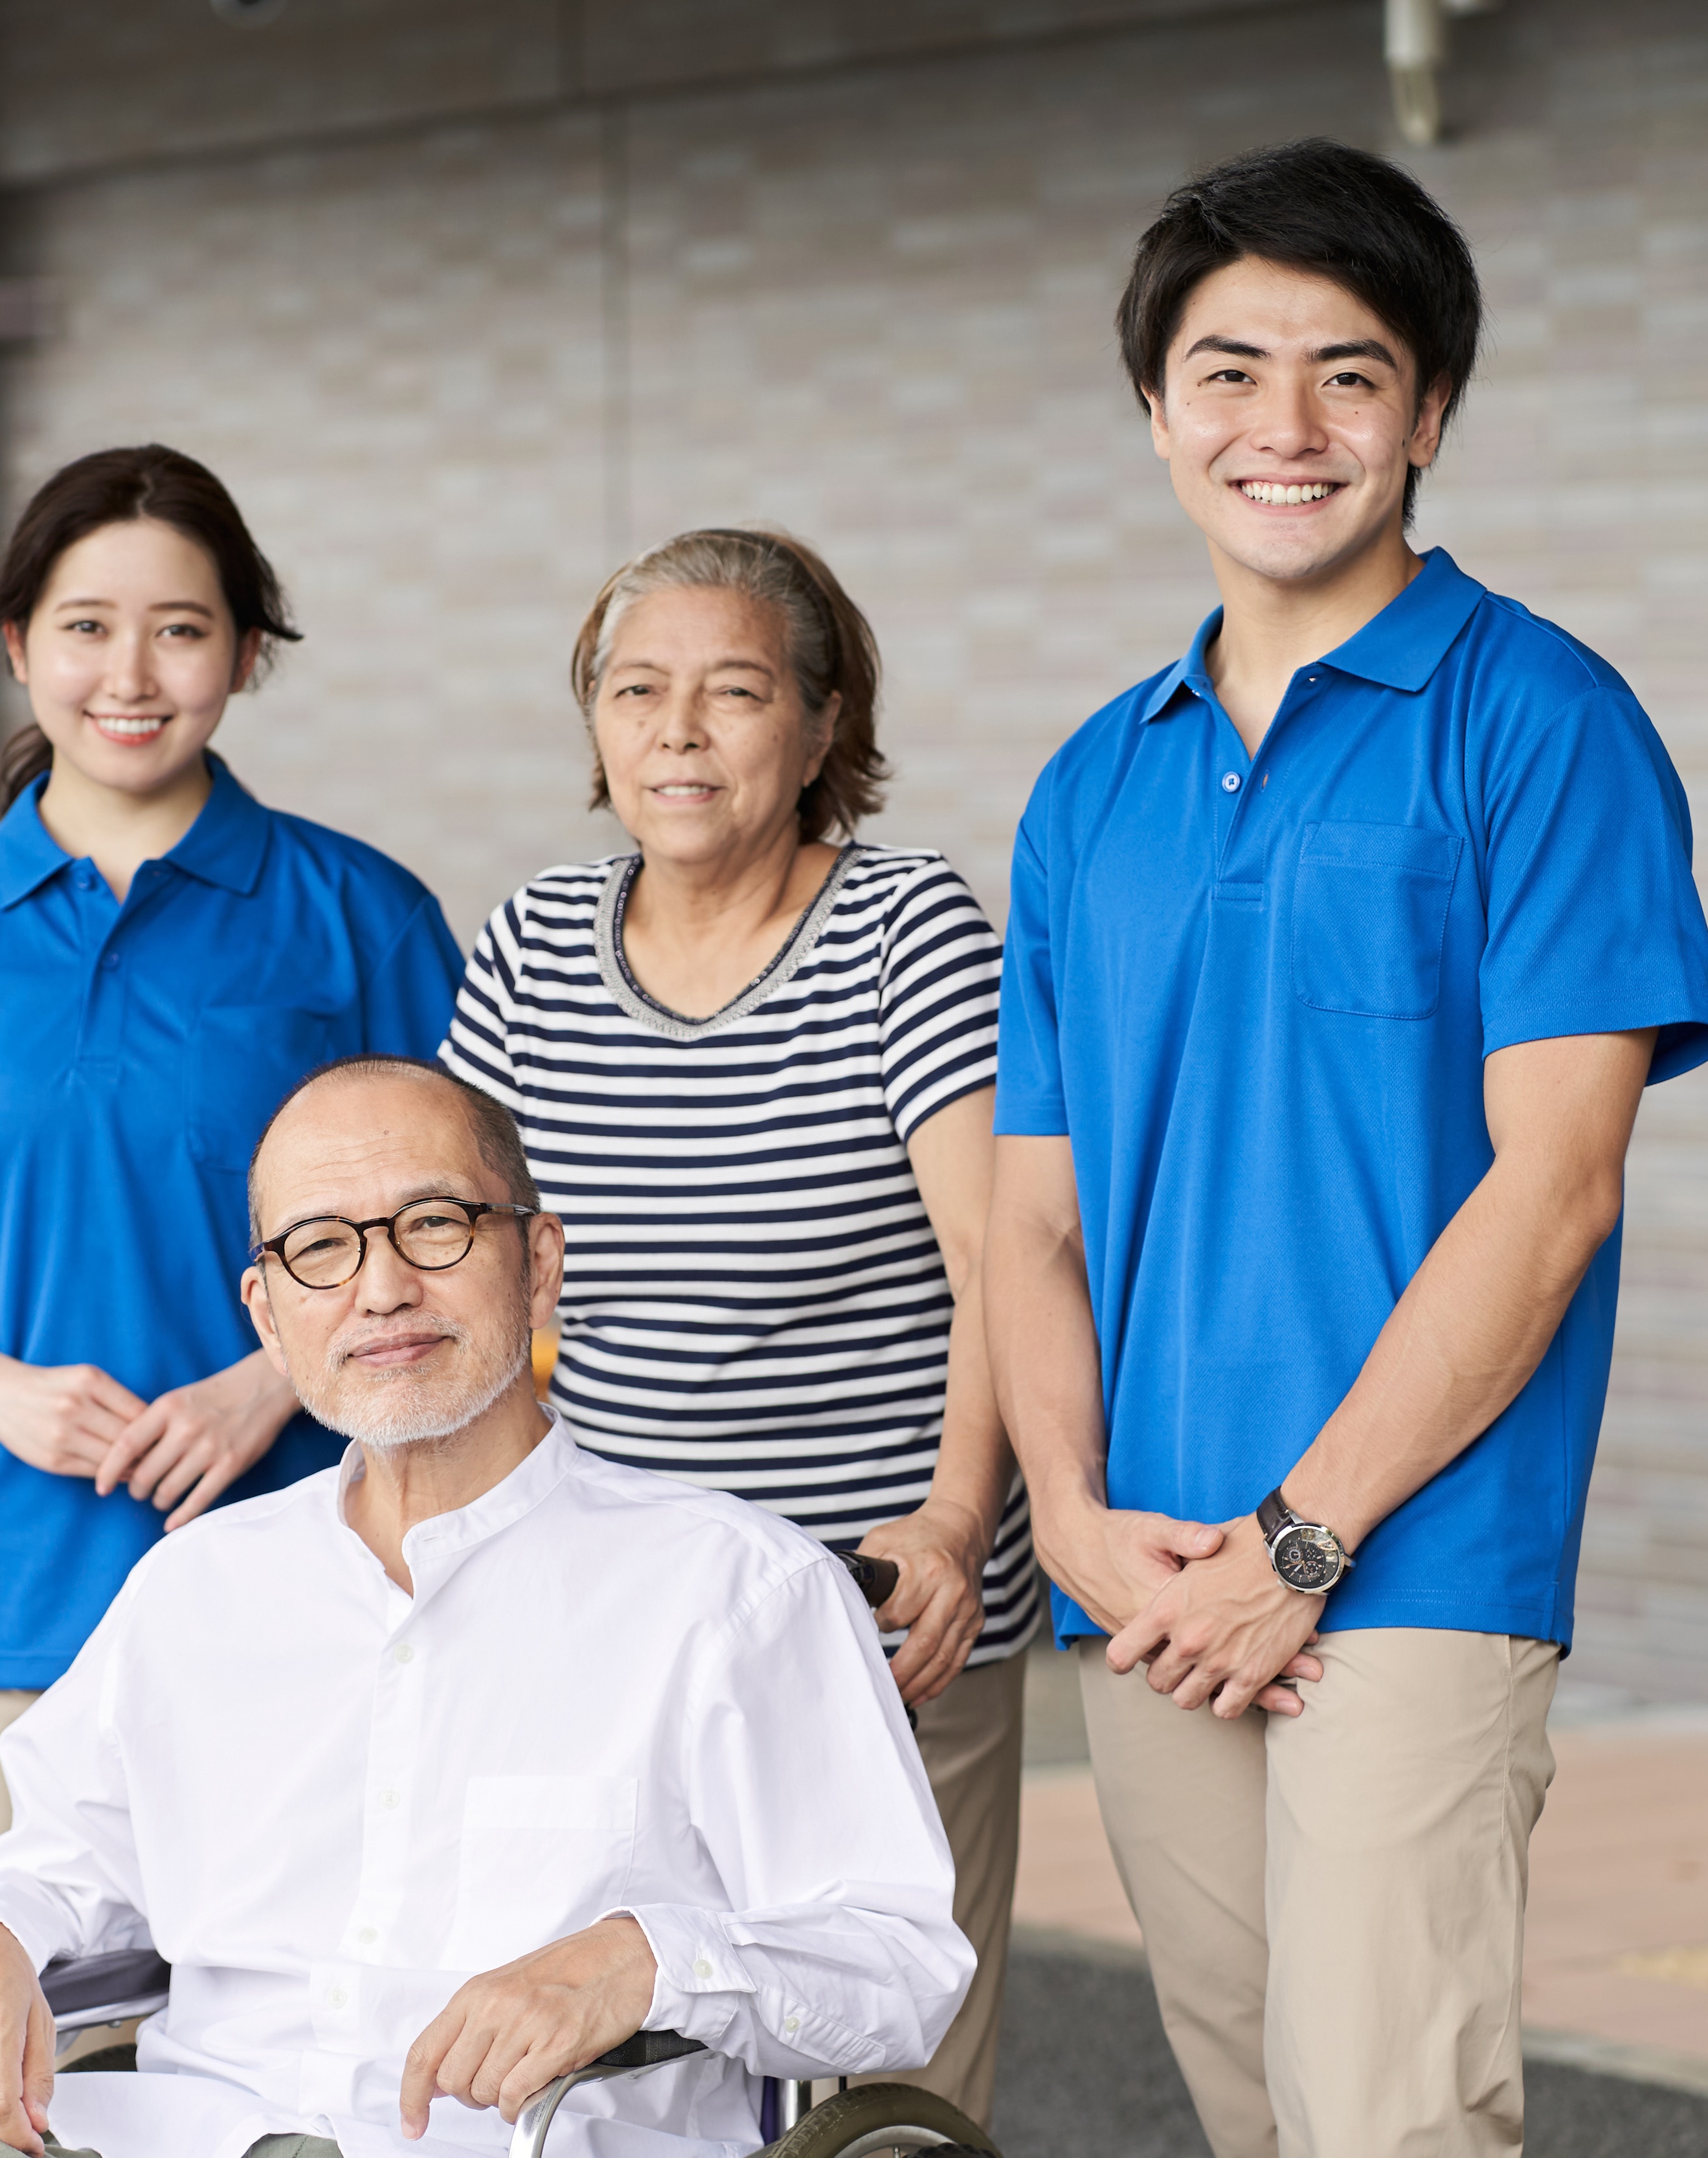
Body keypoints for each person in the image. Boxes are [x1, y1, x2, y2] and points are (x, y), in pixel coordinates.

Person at [985, 140, 1708, 2158]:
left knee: (1387, 2113)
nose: (1283, 428)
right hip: (1148, 1569)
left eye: (1349, 371)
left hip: (1411, 1561)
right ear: (1156, 412)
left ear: (1429, 415)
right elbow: (1031, 1215)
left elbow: (1556, 1183)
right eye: (1228, 372)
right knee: (1260, 2107)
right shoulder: (1088, 783)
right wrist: (1061, 1502)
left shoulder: (1539, 721)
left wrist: (1304, 1536)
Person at [0, 1056, 972, 2158]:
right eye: (321, 1246)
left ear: (538, 1263)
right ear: (267, 1314)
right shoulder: (194, 1589)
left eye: (436, 1224)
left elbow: (899, 1963)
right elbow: (62, 1857)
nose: (382, 1285)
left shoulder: (738, 1590)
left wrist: (649, 1955)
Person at [0, 446, 464, 1900]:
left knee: (291, 2051)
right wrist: (0, 1391)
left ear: (246, 654)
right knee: (21, 2066)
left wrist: (276, 1380)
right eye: (84, 625)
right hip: (0, 1594)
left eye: (181, 628)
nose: (128, 672)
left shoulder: (360, 919)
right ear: (20, 646)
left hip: (310, 1572)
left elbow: (470, 1245)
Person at [436, 528, 1026, 2125]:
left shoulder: (907, 929)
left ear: (823, 726)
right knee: (632, 2072)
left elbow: (1005, 1265)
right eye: (636, 690)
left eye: (734, 690)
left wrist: (957, 1524)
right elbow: (468, 1258)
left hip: (879, 1607)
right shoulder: (535, 944)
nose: (677, 730)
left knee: (882, 2093)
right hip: (624, 1624)